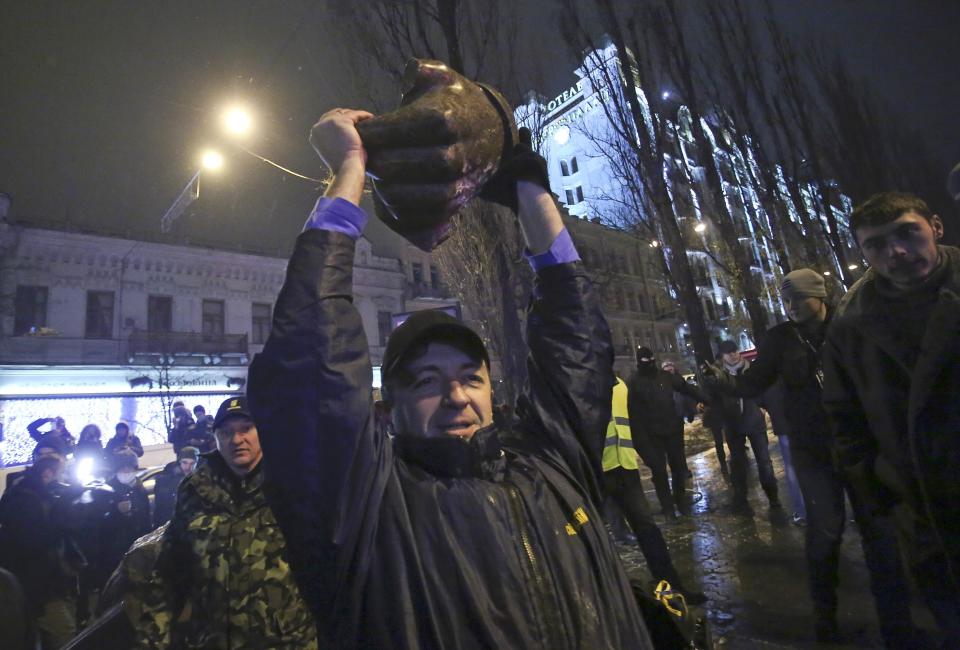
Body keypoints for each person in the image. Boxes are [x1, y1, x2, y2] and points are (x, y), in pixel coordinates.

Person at [246, 108, 652, 647]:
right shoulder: (370, 509)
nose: (457, 396)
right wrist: (350, 168)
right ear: (387, 409)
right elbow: (310, 358)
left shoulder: (550, 464)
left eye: (470, 376)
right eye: (427, 382)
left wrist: (531, 193)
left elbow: (577, 345)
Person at [706, 269, 924, 645]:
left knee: (879, 535)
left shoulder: (847, 326)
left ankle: (897, 622)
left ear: (819, 296)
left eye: (797, 298)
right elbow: (754, 381)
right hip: (813, 451)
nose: (790, 306)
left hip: (859, 447)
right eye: (786, 300)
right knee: (824, 533)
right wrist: (725, 383)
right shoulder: (779, 338)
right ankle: (826, 618)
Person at [822, 191, 960, 644]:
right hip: (926, 516)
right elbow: (845, 417)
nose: (896, 252)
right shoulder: (850, 325)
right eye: (876, 245)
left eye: (907, 233)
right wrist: (881, 489)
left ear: (935, 227)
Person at [134, 396, 317, 648]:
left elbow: (327, 568)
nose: (237, 439)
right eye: (226, 432)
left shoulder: (292, 486)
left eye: (246, 429)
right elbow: (168, 573)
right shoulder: (195, 491)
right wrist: (152, 641)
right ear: (216, 439)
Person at [604, 376, 706, 604]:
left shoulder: (620, 385)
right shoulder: (575, 382)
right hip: (596, 471)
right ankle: (610, 605)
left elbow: (633, 424)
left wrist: (652, 460)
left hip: (625, 467)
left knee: (648, 530)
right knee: (596, 538)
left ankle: (673, 589)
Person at [0, 455, 81, 649]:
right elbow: (36, 539)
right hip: (38, 586)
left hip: (37, 582)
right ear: (47, 474)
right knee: (67, 635)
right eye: (61, 473)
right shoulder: (27, 500)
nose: (63, 479)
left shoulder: (26, 494)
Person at [626, 346, 708, 518]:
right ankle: (668, 508)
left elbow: (686, 388)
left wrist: (707, 399)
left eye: (650, 360)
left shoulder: (665, 377)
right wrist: (640, 439)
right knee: (659, 472)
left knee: (678, 467)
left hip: (672, 430)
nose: (649, 364)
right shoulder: (633, 382)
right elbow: (632, 413)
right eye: (645, 361)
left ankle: (679, 500)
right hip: (652, 435)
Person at [711, 340, 781, 515]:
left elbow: (764, 390)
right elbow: (713, 398)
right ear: (722, 356)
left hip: (754, 422)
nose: (733, 354)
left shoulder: (751, 369)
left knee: (764, 462)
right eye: (728, 352)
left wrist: (763, 407)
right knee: (737, 463)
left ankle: (774, 499)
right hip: (733, 425)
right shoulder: (718, 375)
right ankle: (741, 500)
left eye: (734, 351)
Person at [95, 451, 151, 591]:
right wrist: (117, 512)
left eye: (129, 468)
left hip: (138, 544)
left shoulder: (139, 488)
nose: (126, 471)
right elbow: (100, 522)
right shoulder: (106, 490)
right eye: (122, 468)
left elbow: (145, 515)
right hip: (115, 548)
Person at [152, 446, 199, 527]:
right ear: (179, 462)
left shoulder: (200, 479)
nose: (188, 467)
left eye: (192, 463)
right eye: (185, 462)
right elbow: (160, 508)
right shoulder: (165, 480)